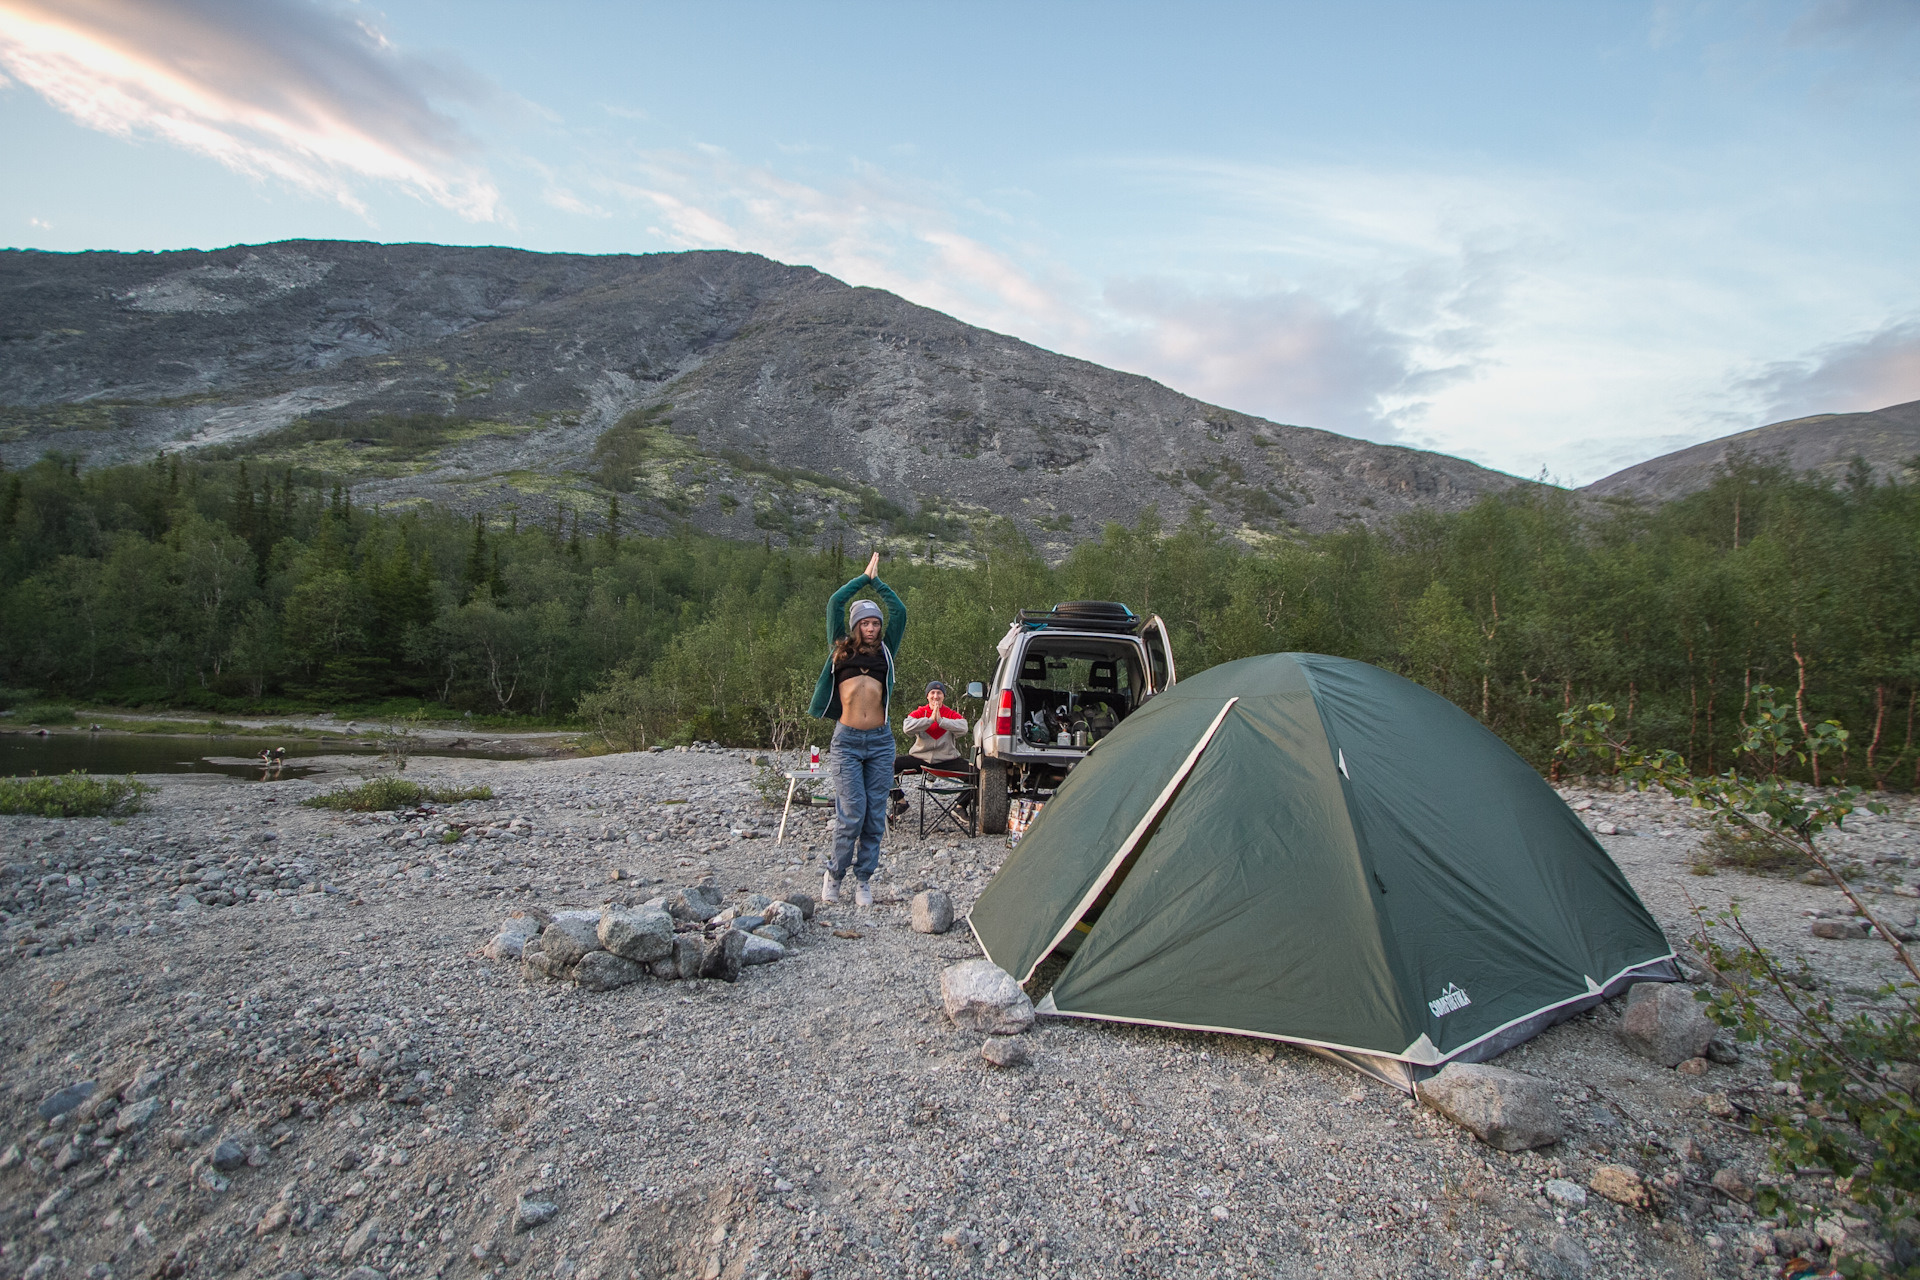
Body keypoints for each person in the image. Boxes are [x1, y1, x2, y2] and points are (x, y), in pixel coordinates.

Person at [807, 551, 905, 907]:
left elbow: (901, 612)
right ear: (855, 626)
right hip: (847, 741)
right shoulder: (841, 649)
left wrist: (881, 585)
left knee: (875, 816)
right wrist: (865, 579)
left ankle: (864, 879)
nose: (872, 628)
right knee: (852, 813)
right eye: (865, 623)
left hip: (880, 742)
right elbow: (835, 602)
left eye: (876, 623)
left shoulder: (886, 651)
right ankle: (834, 875)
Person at [892, 681, 972, 815]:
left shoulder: (950, 713)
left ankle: (960, 806)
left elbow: (964, 727)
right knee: (886, 767)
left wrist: (941, 721)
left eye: (939, 693)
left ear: (943, 696)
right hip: (920, 758)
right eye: (932, 693)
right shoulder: (920, 712)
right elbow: (907, 728)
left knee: (977, 773)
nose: (936, 696)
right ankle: (900, 801)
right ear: (927, 696)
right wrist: (930, 720)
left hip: (946, 759)